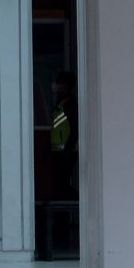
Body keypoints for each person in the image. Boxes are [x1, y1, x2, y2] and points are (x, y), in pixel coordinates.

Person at [49, 71, 78, 199]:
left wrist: (67, 150)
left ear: (65, 85)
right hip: (59, 151)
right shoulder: (61, 103)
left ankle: (77, 204)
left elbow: (75, 129)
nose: (56, 86)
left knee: (62, 187)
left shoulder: (69, 104)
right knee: (59, 186)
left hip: (66, 152)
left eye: (59, 83)